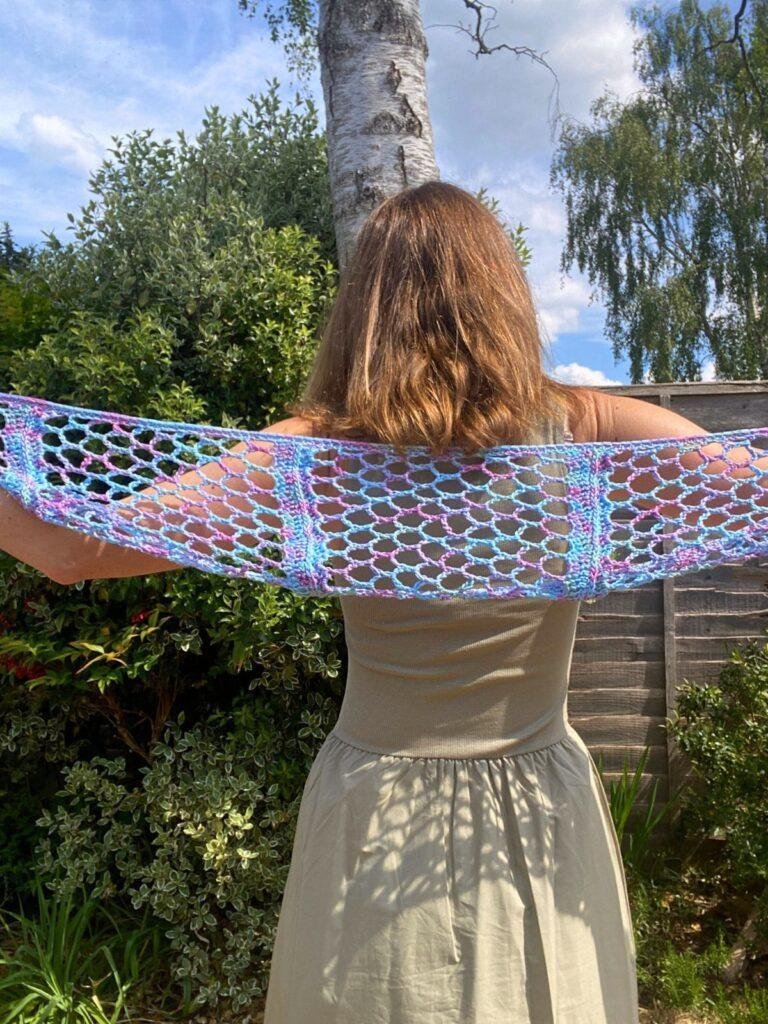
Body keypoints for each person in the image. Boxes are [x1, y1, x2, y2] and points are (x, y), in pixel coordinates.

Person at [0, 181, 762, 1023]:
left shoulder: (312, 459)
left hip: (373, 814)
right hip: (540, 809)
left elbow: (68, 549)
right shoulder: (590, 432)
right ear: (503, 297)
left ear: (364, 308)